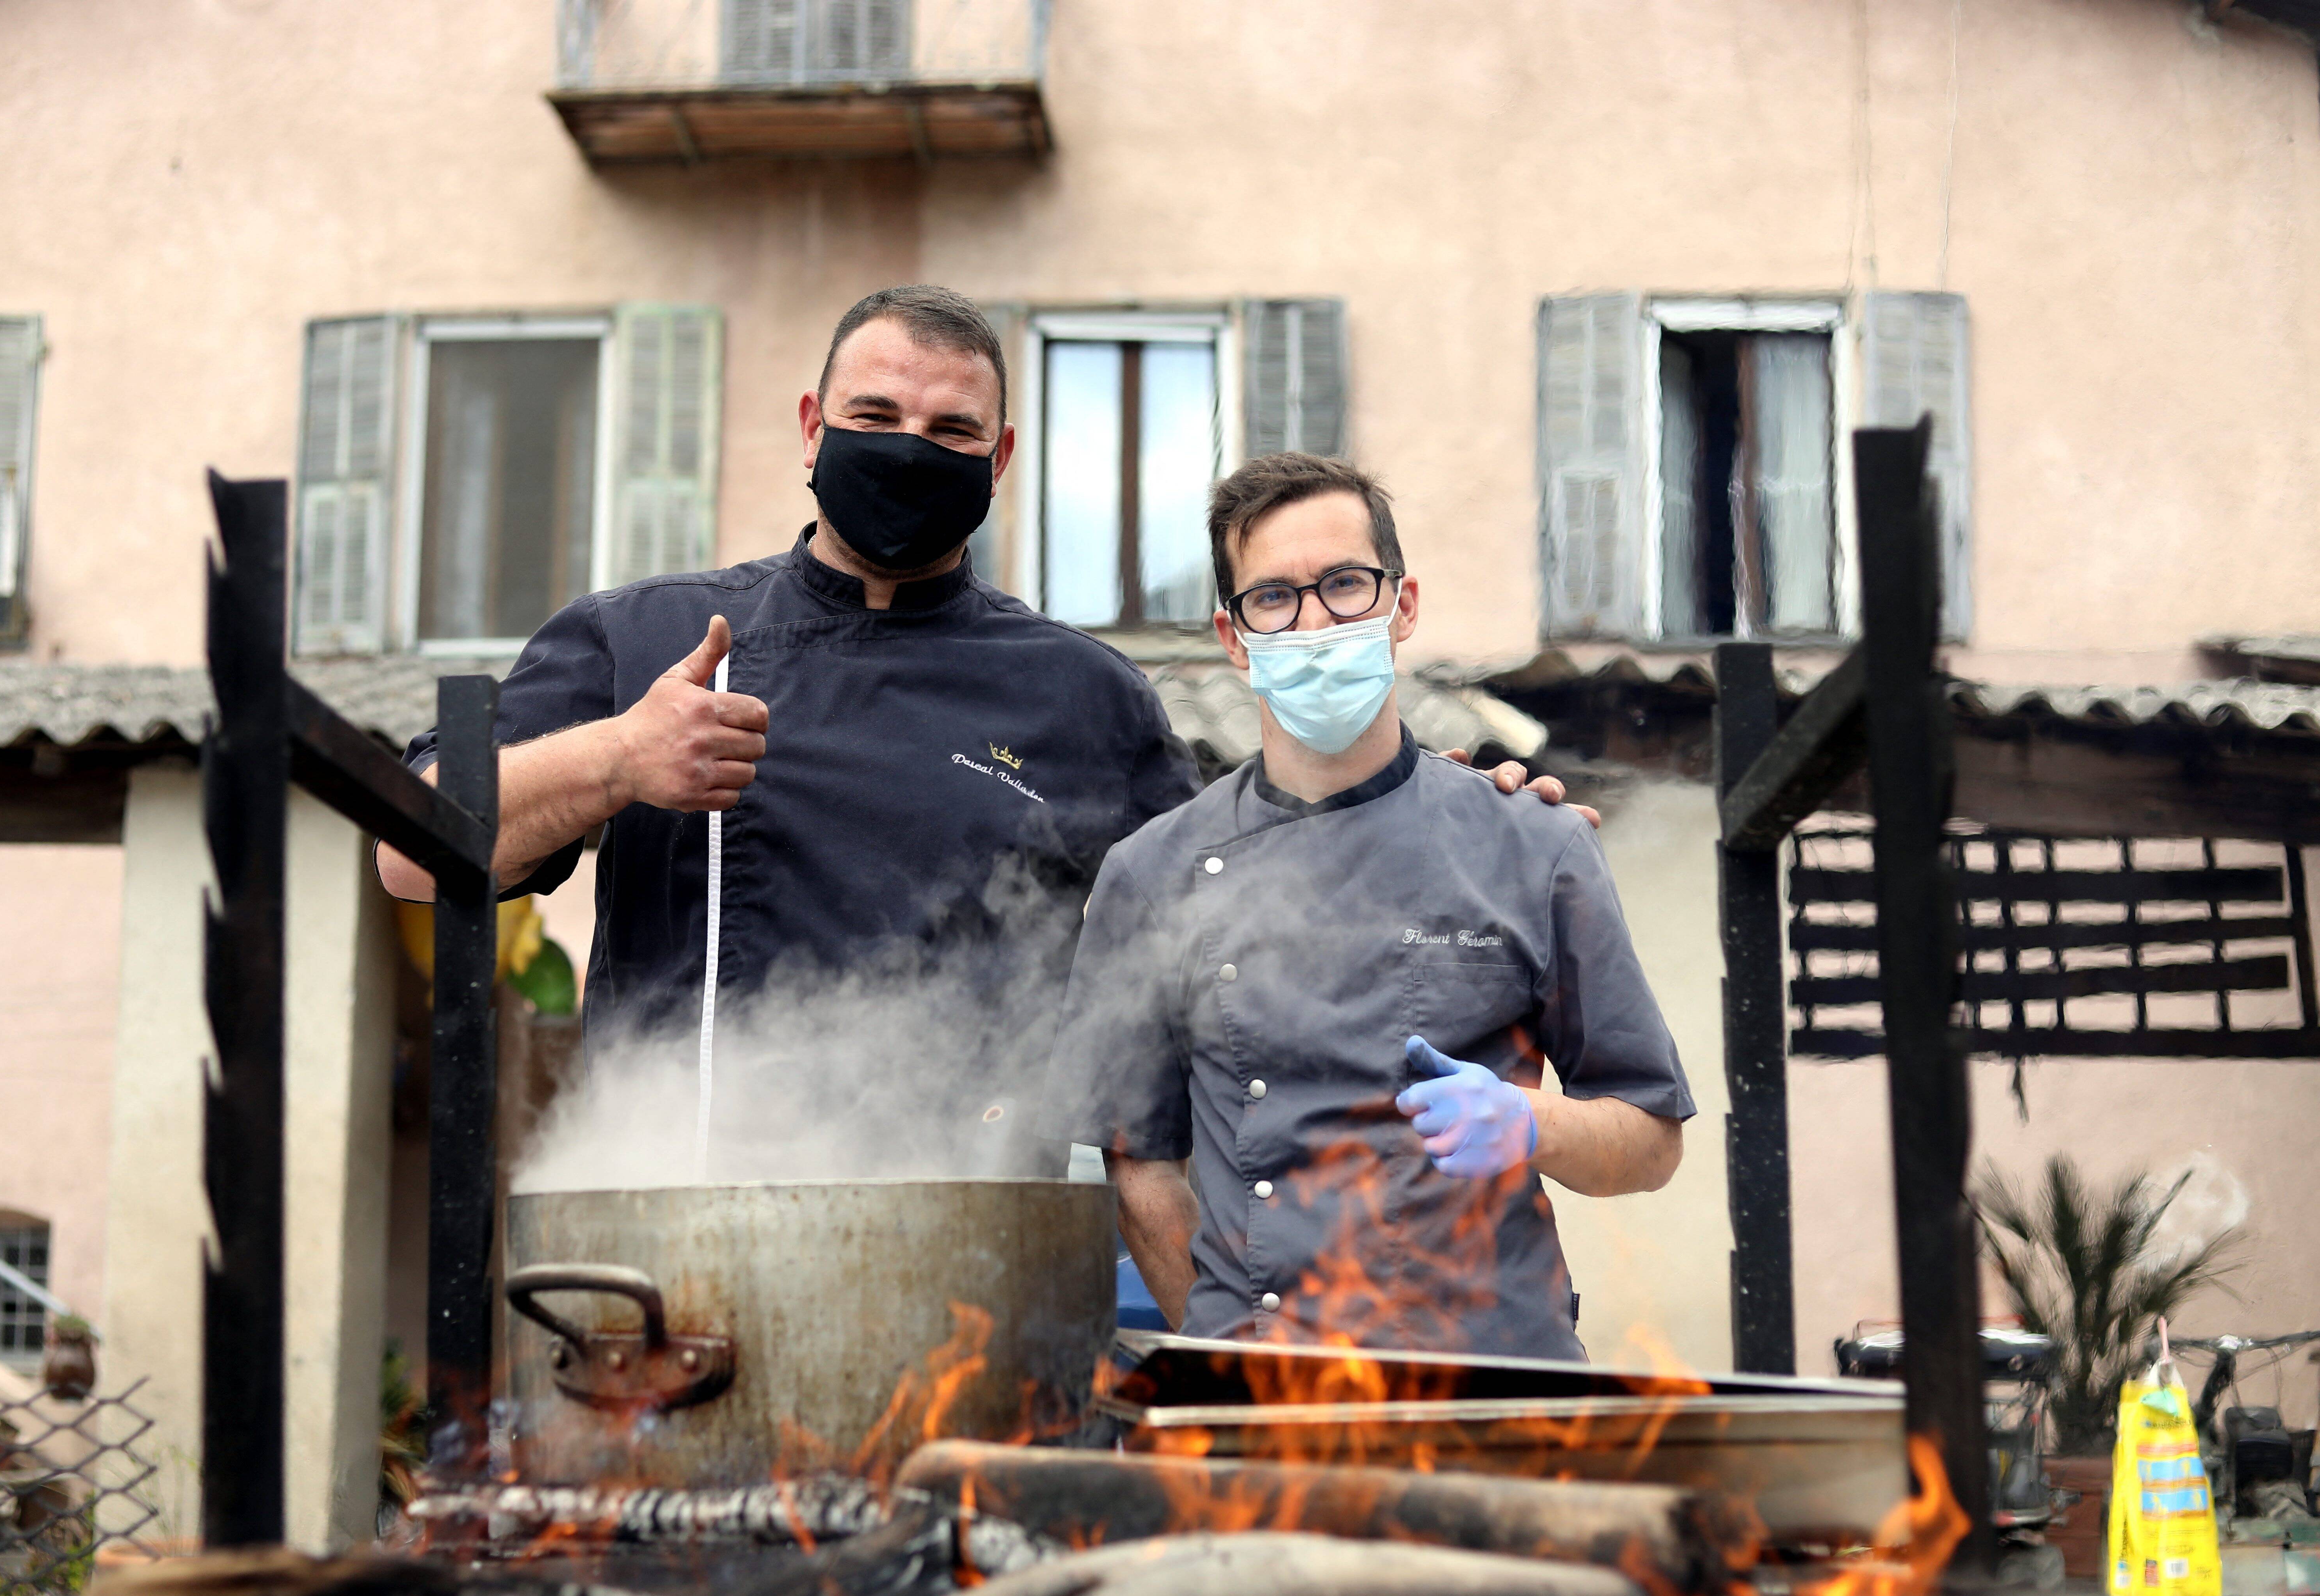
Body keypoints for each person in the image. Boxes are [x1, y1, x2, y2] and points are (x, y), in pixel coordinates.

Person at [380, 287, 1578, 1167]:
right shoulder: (641, 637)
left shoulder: (1081, 695)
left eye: (953, 432)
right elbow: (411, 854)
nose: (911, 450)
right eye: (875, 413)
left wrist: (1445, 819)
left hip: (974, 1244)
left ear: (1000, 458)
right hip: (673, 1219)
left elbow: (1232, 921)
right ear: (812, 426)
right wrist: (617, 758)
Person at [1038, 452, 1692, 1358]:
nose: (1314, 622)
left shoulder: (1535, 843)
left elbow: (1652, 1140)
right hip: (1269, 1393)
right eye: (1275, 597)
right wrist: (1236, 1365)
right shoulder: (1153, 875)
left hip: (1501, 1386)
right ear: (1234, 637)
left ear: (1402, 604)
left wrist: (1532, 1123)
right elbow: (1140, 1166)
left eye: (1345, 584)